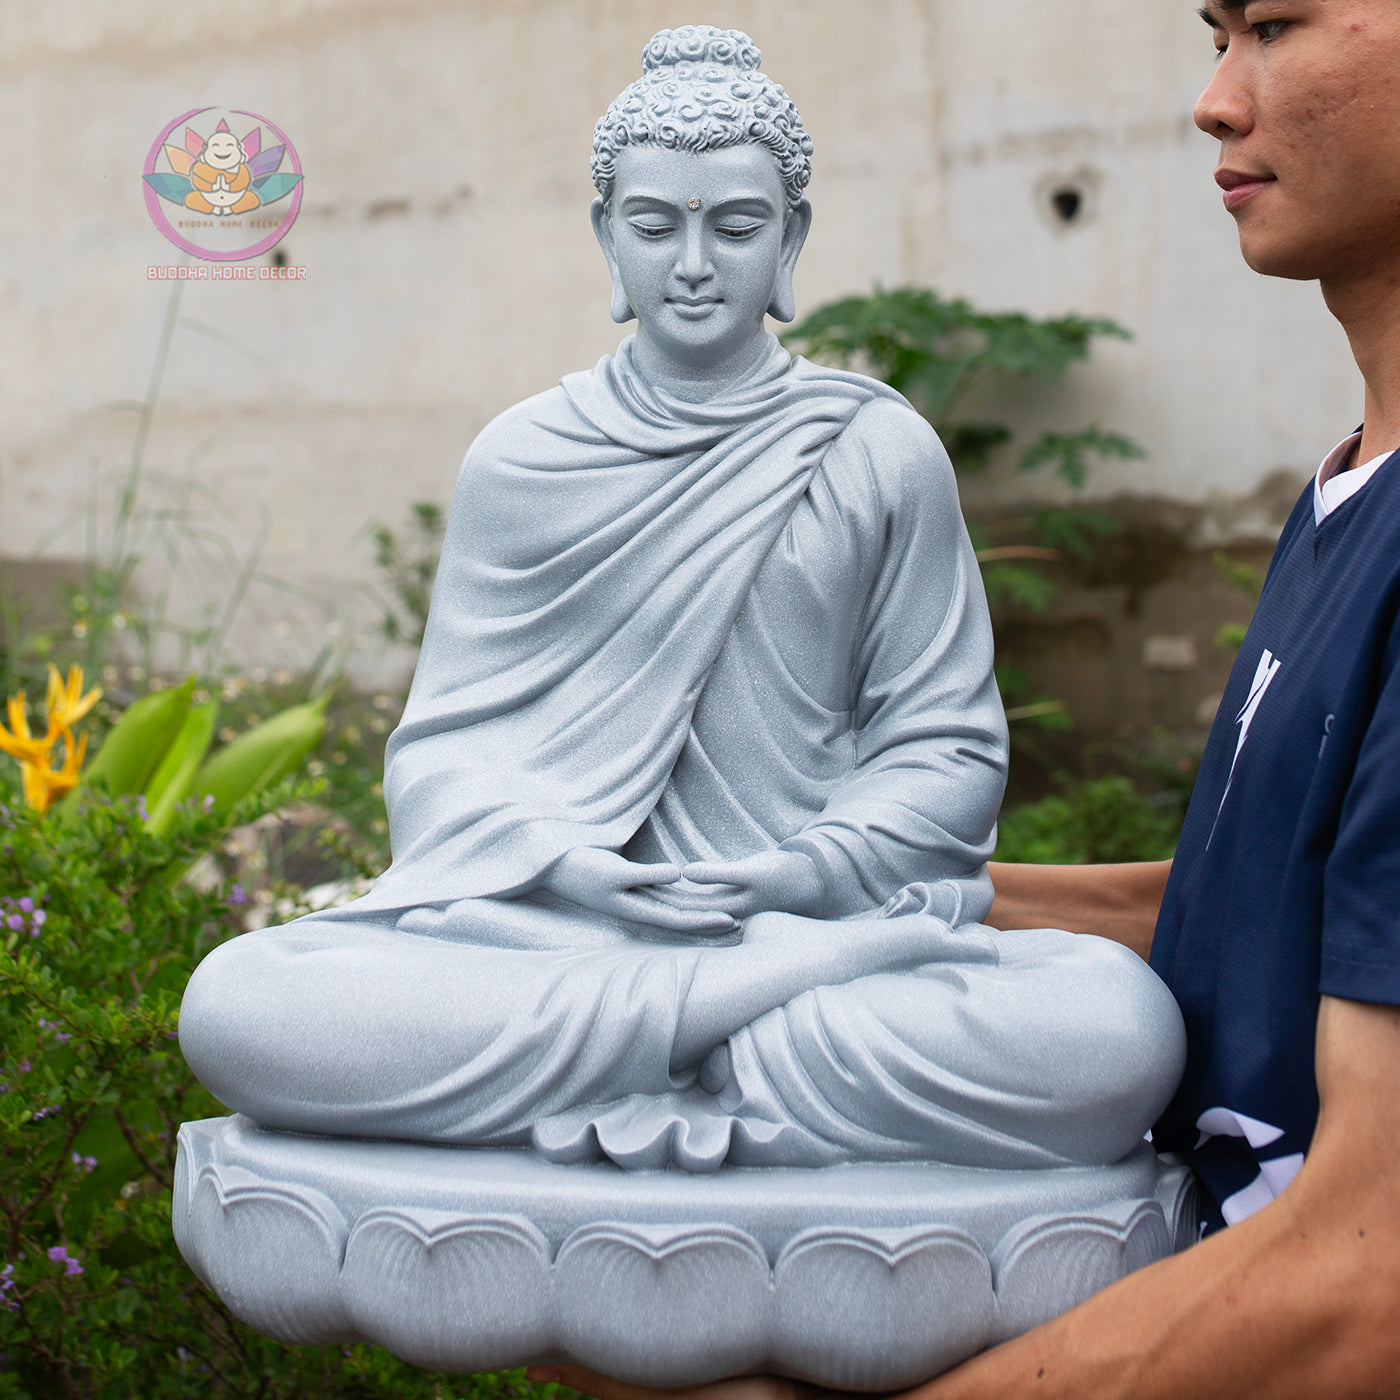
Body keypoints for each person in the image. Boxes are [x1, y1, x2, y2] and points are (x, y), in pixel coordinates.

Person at [532, 2, 1400, 1395]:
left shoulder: (870, 450)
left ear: (791, 241)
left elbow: (1373, 1280)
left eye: (1278, 27)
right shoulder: (1352, 485)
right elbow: (1255, 908)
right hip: (1169, 1233)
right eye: (1217, 33)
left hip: (1264, 1303)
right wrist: (773, 887)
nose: (1215, 102)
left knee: (1083, 1040)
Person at [178, 28, 1184, 1180]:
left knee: (1113, 1032)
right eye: (655, 225)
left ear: (791, 237)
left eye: (736, 225)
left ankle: (689, 1025)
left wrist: (797, 872)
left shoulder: (875, 448)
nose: (693, 263)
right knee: (244, 1002)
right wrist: (565, 862)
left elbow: (943, 747)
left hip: (803, 923)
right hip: (565, 929)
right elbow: (445, 758)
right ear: (607, 233)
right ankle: (725, 1025)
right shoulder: (524, 459)